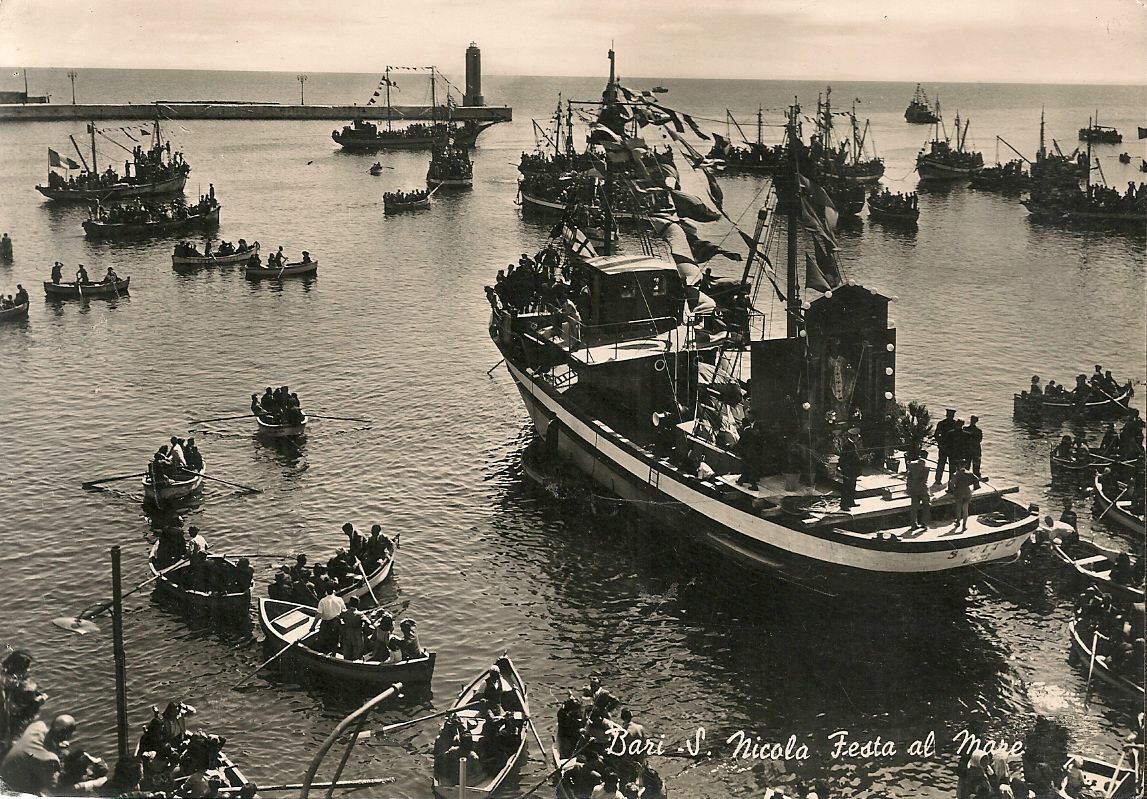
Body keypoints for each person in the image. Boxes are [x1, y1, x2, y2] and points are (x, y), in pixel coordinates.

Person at [0, 714, 77, 795]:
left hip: (4, 774)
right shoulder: (49, 759)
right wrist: (85, 785)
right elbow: (56, 790)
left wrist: (56, 745)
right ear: (67, 735)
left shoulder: (38, 726)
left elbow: (36, 745)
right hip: (11, 790)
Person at [312, 585, 346, 653]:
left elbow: (318, 615)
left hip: (326, 624)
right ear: (334, 591)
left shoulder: (322, 601)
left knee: (323, 641)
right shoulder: (339, 599)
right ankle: (333, 653)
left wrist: (313, 626)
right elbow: (344, 611)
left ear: (326, 592)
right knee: (335, 640)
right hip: (336, 623)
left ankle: (324, 654)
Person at [948, 463, 979, 533]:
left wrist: (953, 490)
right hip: (967, 492)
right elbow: (977, 479)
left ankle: (958, 522)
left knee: (958, 508)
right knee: (965, 509)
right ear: (965, 466)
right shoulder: (970, 473)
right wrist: (971, 485)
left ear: (958, 466)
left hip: (958, 492)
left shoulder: (956, 474)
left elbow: (951, 483)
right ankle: (964, 526)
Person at [837, 432, 863, 511]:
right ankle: (844, 504)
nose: (858, 439)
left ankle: (851, 501)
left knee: (852, 486)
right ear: (853, 437)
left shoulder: (852, 444)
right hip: (848, 469)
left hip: (853, 469)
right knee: (847, 487)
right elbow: (845, 458)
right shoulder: (847, 445)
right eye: (857, 437)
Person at [906, 453, 931, 531]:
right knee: (926, 506)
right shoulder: (926, 468)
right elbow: (924, 480)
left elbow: (909, 477)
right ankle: (924, 523)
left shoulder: (912, 465)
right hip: (923, 489)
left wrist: (909, 487)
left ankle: (913, 524)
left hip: (914, 489)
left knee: (914, 507)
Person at [934, 409, 959, 484]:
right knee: (945, 465)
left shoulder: (943, 423)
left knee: (946, 465)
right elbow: (937, 435)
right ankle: (943, 480)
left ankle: (944, 480)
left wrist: (940, 443)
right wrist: (940, 443)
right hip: (948, 447)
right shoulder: (951, 424)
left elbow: (937, 435)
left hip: (947, 447)